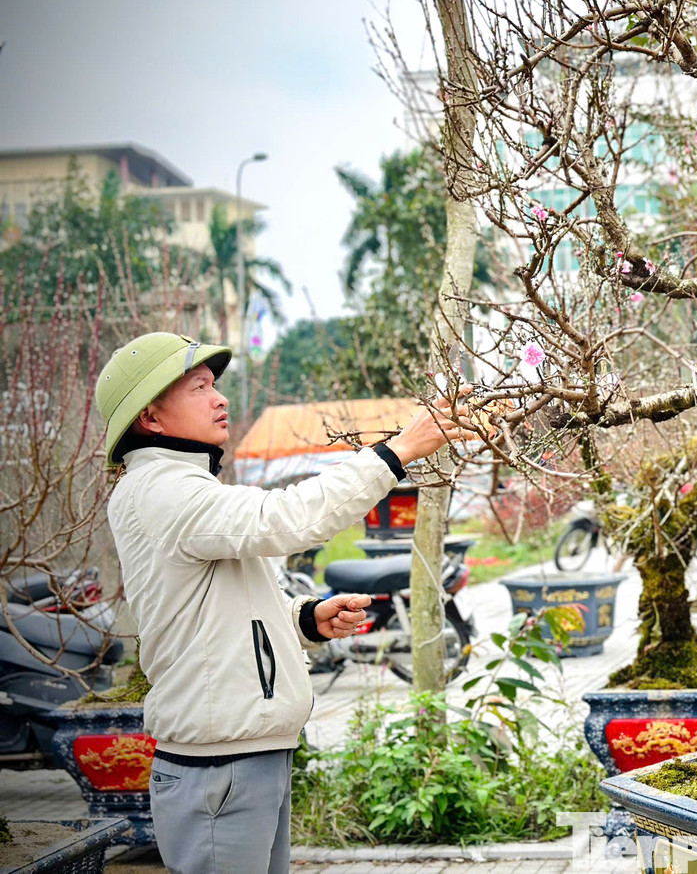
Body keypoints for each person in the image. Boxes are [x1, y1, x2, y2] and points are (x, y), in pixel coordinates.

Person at [95, 333, 485, 874]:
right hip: (218, 764)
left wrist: (305, 618)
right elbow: (287, 518)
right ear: (152, 419)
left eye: (216, 386)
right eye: (199, 387)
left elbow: (222, 605)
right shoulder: (163, 489)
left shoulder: (182, 486)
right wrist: (397, 452)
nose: (220, 398)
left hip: (241, 756)